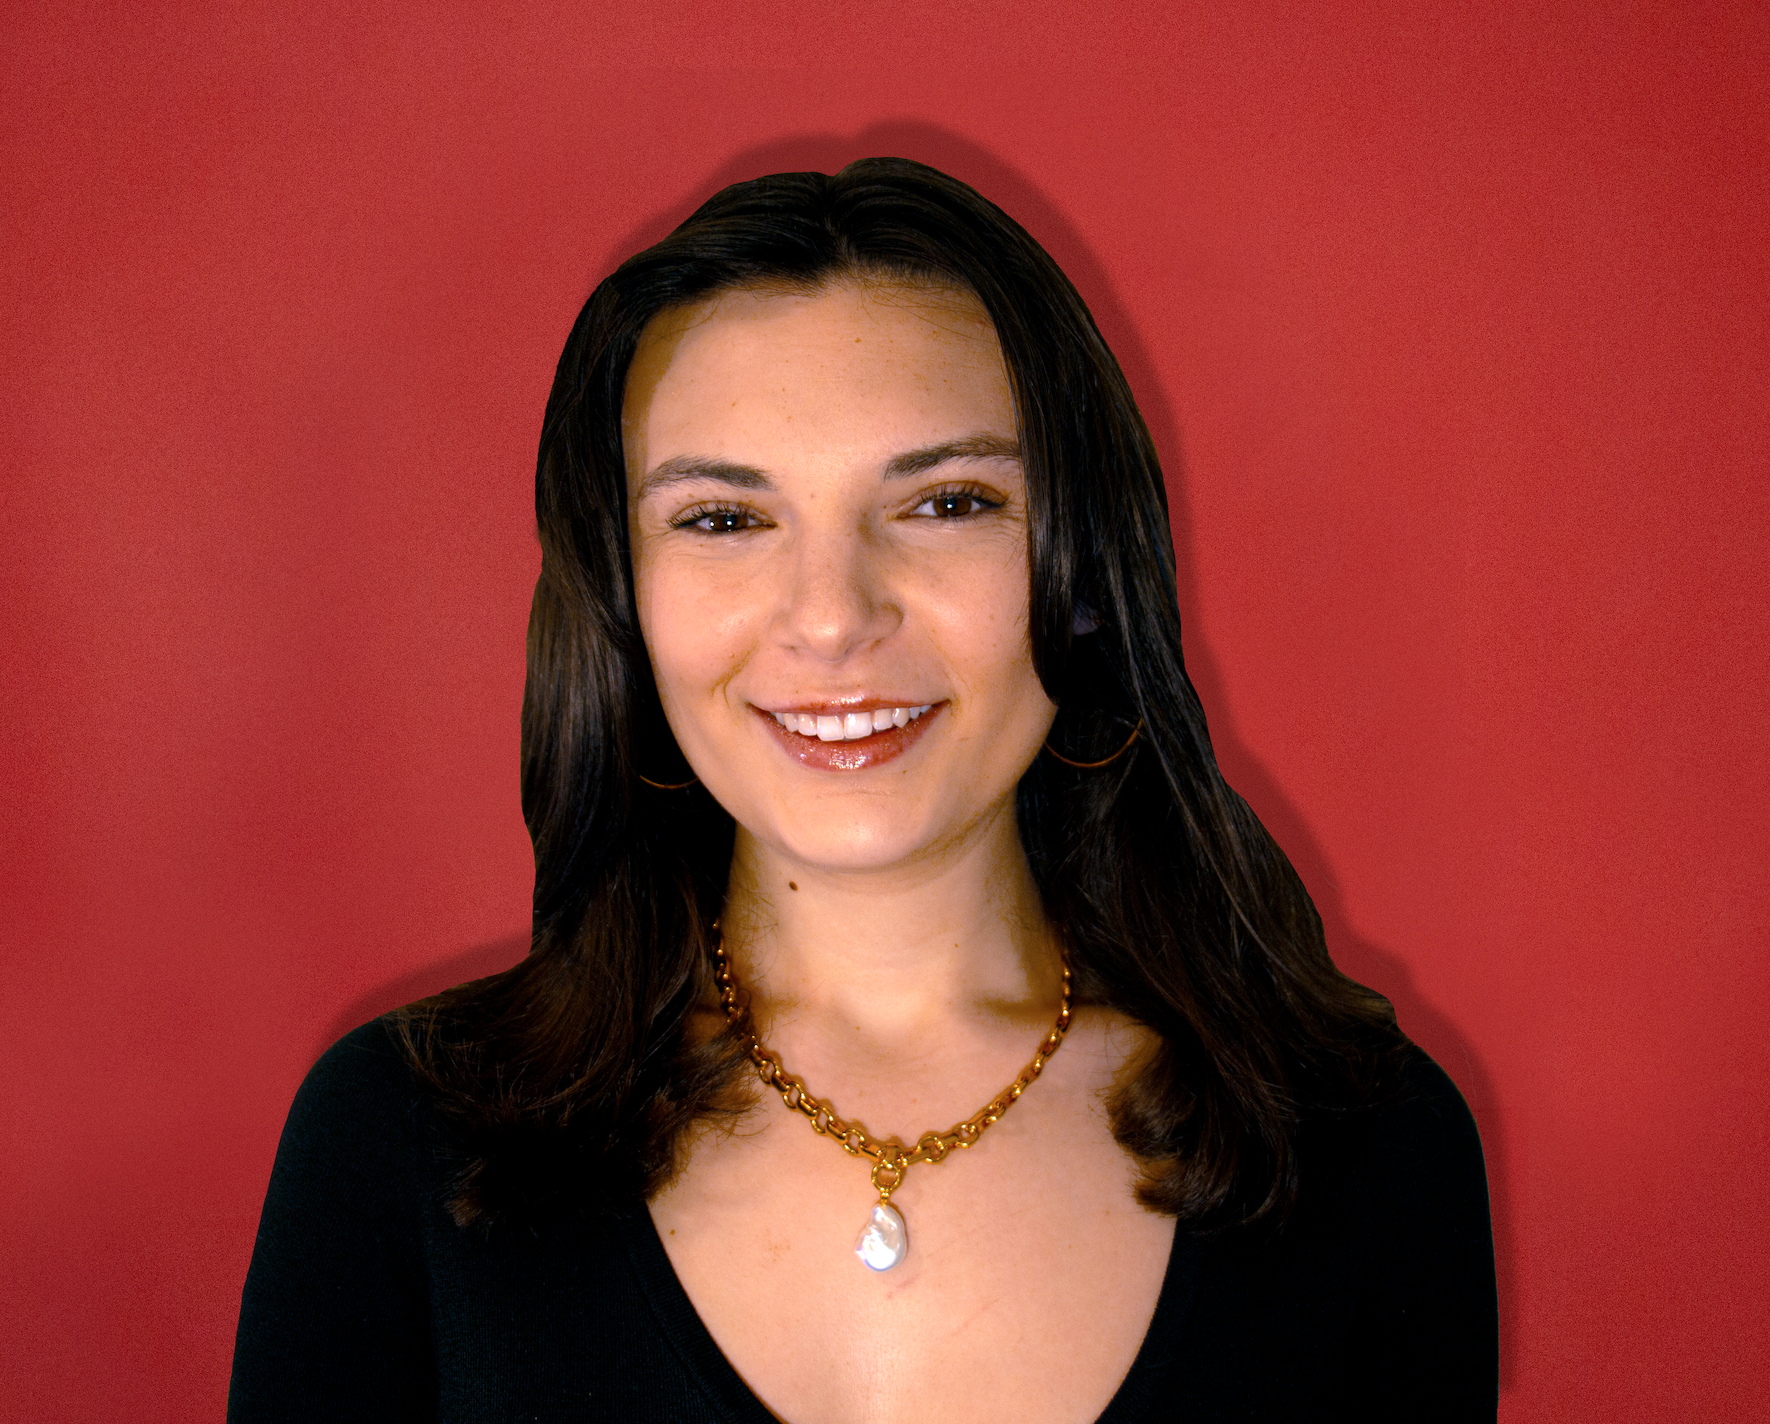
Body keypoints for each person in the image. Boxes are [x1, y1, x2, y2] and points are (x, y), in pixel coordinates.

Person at [228, 157, 1497, 1421]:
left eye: (948, 502)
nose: (834, 617)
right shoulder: (390, 1141)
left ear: (1085, 571)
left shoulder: (1370, 1151)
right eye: (724, 519)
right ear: (621, 601)